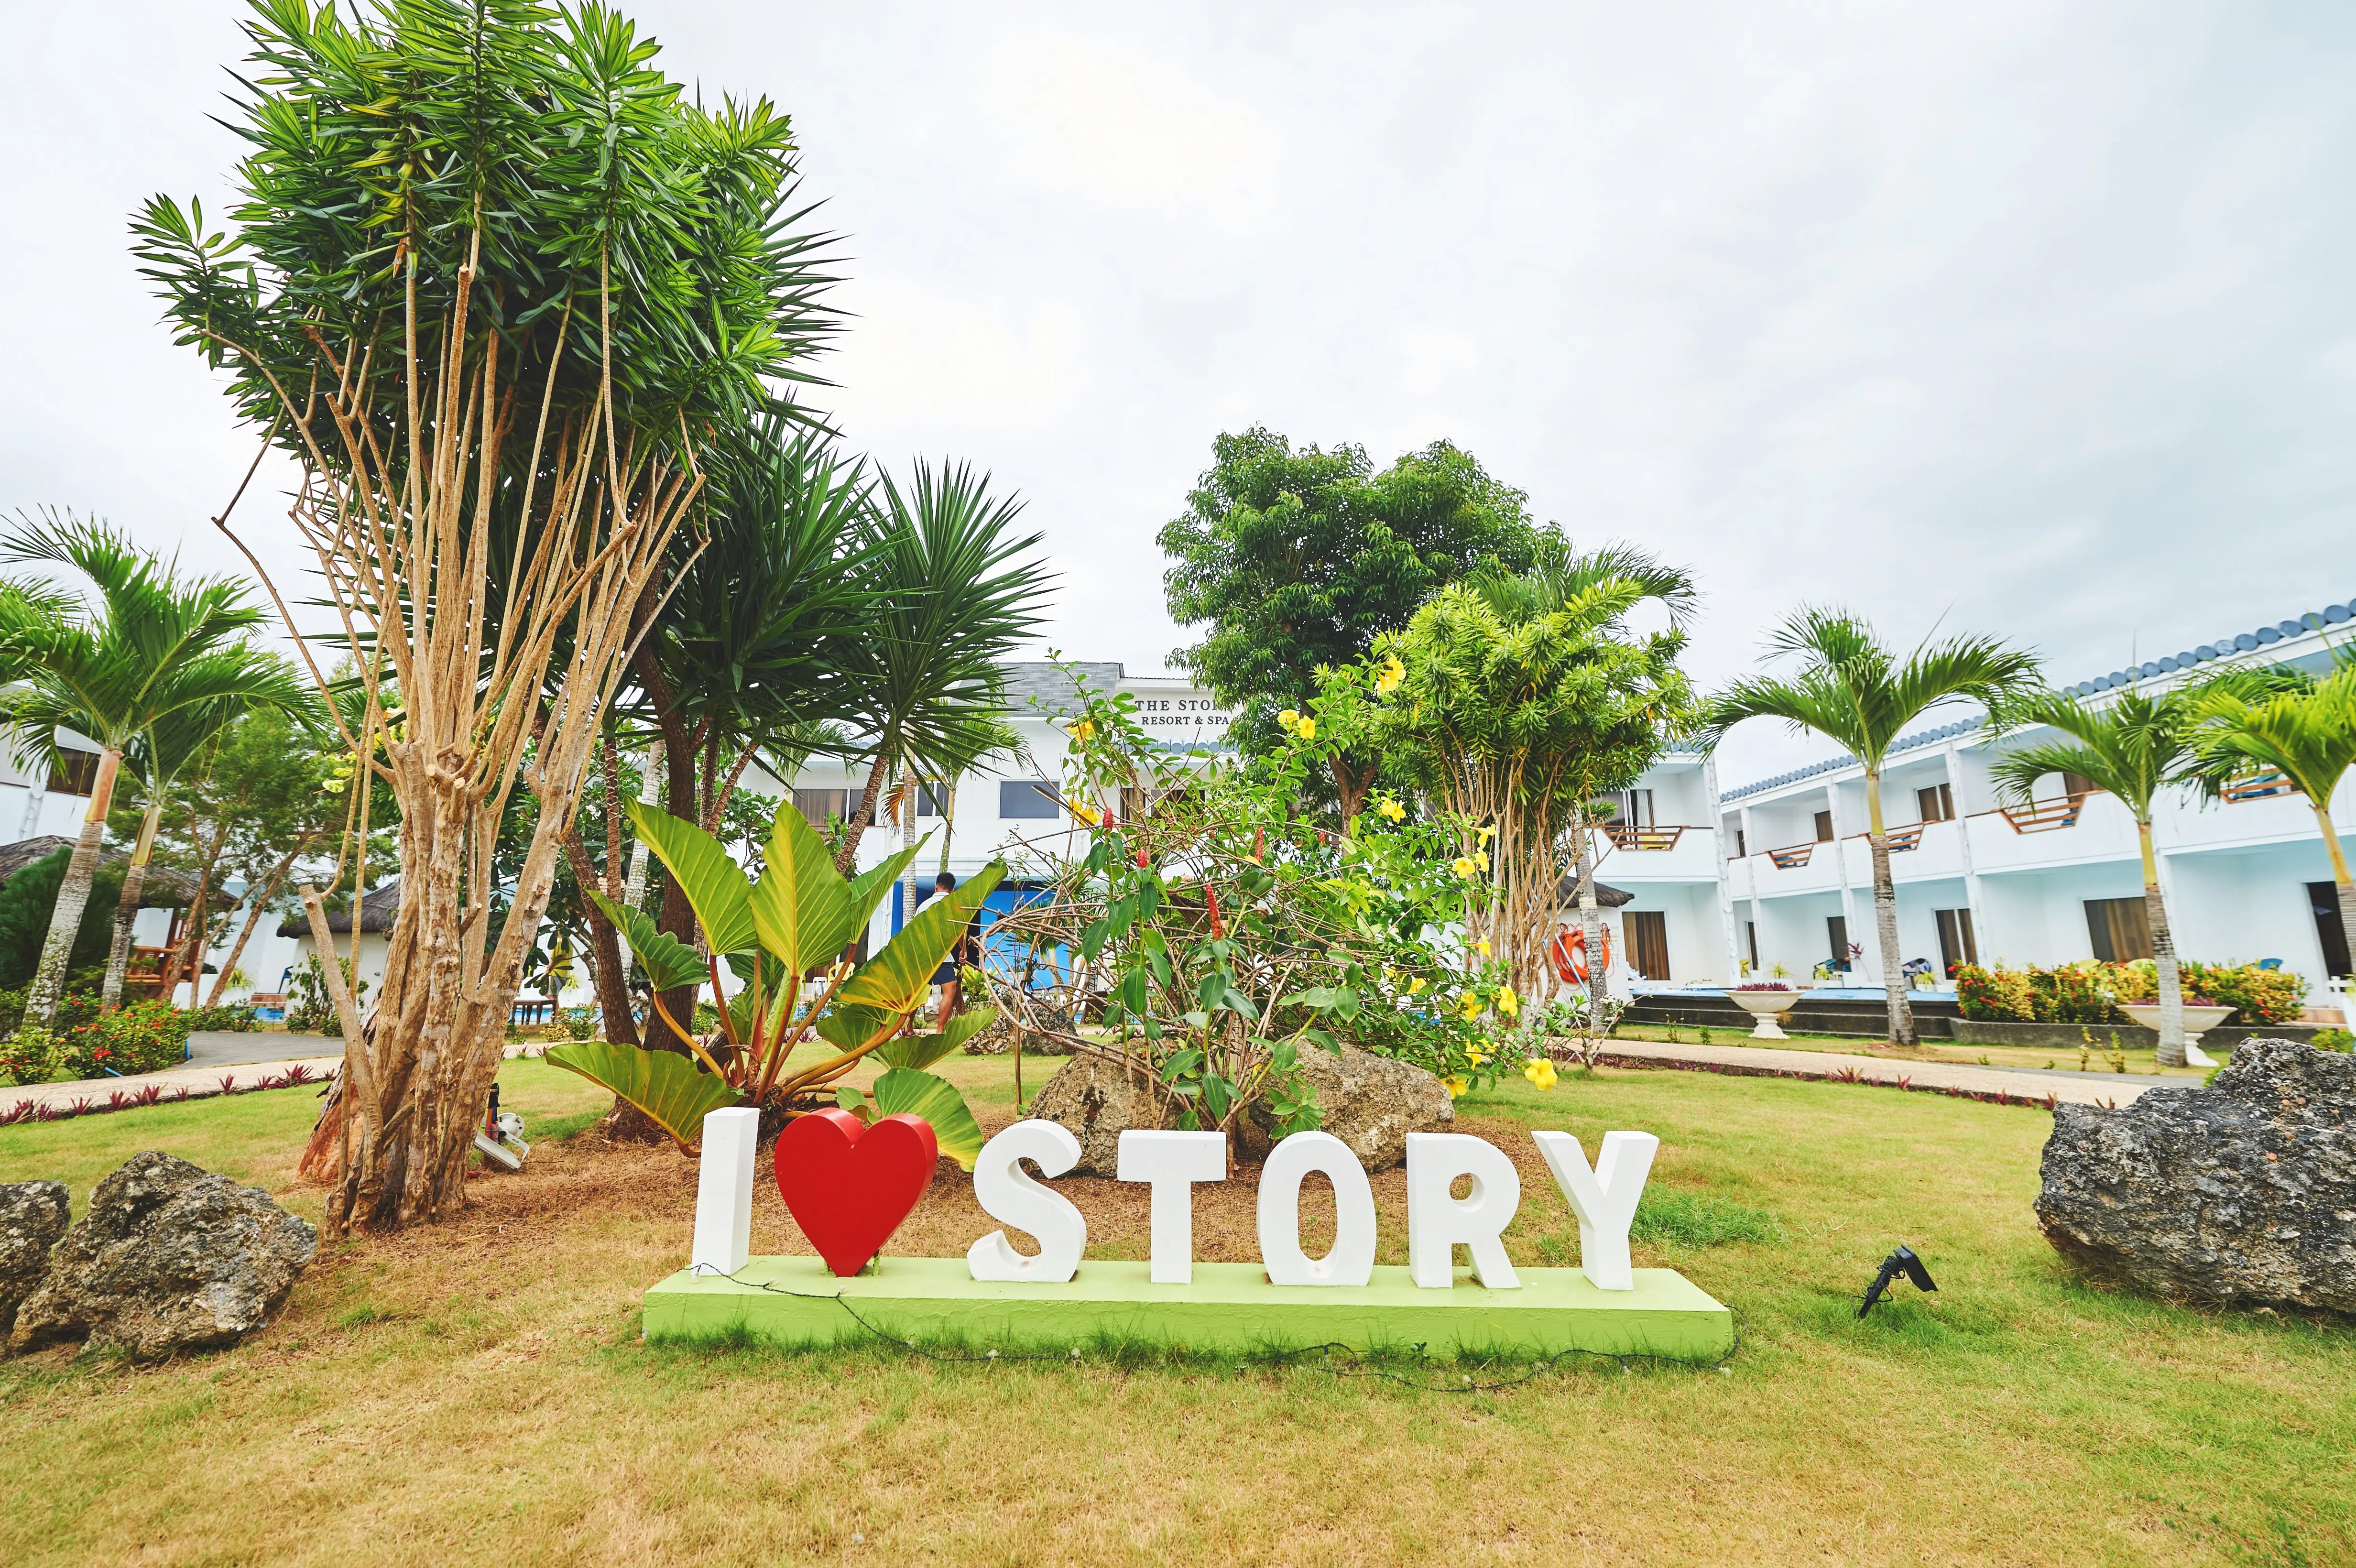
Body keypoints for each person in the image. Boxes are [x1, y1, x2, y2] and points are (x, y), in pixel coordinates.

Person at [928, 871, 984, 1024]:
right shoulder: (953, 907)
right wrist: (964, 950)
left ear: (936, 888)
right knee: (950, 991)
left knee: (916, 994)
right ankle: (939, 1030)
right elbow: (958, 932)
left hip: (921, 959)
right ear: (953, 891)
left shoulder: (923, 906)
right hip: (942, 957)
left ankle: (910, 1028)